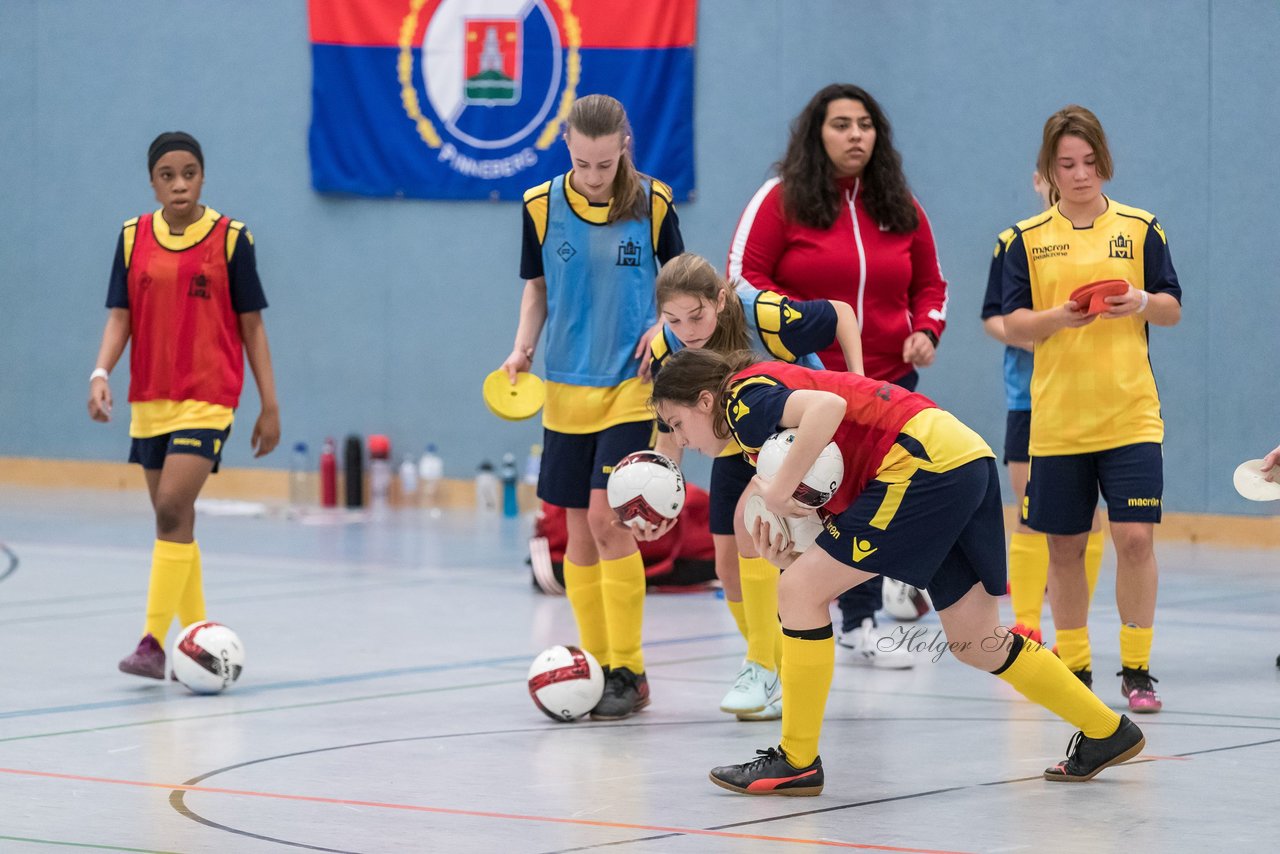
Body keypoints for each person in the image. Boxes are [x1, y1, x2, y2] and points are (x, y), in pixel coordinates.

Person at [651, 348, 1145, 795]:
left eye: (675, 423)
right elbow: (835, 502)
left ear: (703, 401)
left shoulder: (742, 399)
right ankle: (1107, 731)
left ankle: (796, 760)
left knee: (800, 594)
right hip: (960, 456)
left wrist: (777, 494)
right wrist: (792, 557)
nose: (680, 440)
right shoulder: (761, 412)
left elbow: (828, 408)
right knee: (977, 641)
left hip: (918, 462)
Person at [726, 84, 949, 664]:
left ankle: (861, 618)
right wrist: (800, 333)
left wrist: (925, 329)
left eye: (865, 125)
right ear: (816, 134)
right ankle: (804, 625)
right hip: (811, 386)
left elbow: (931, 283)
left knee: (879, 500)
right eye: (842, 125)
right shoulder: (780, 199)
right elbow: (742, 281)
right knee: (821, 500)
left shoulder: (899, 202)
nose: (856, 135)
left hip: (888, 387)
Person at [499, 94, 684, 720]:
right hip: (563, 391)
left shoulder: (653, 203)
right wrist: (522, 349)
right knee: (574, 530)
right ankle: (599, 662)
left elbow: (680, 286)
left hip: (631, 387)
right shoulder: (538, 205)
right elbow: (537, 289)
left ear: (623, 148)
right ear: (568, 149)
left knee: (610, 523)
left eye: (605, 165)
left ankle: (631, 667)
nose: (595, 177)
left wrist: (663, 327)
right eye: (583, 164)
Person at [1003, 105, 1182, 712]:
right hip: (1056, 423)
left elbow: (1173, 307)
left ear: (1104, 162)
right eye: (1066, 165)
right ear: (1049, 171)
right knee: (1065, 547)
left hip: (1131, 414)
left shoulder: (1141, 228)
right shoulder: (1023, 240)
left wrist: (1140, 301)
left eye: (1089, 163)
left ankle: (1137, 669)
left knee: (1134, 538)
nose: (1080, 175)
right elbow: (1014, 320)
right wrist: (1059, 317)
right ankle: (1074, 668)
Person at [89, 131, 280, 679]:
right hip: (149, 399)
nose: (179, 184)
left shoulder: (230, 238)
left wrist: (269, 405)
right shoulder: (131, 237)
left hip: (209, 397)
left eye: (189, 173)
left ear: (202, 177)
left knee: (172, 508)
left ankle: (151, 642)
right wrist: (101, 372)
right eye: (167, 175)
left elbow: (252, 325)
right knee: (176, 521)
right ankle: (200, 642)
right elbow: (120, 317)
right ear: (152, 182)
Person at [645, 252, 862, 720]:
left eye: (697, 315)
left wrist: (857, 377)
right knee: (727, 567)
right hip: (733, 443)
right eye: (673, 319)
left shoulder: (762, 313)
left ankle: (762, 665)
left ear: (720, 300)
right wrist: (661, 493)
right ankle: (773, 668)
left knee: (755, 524)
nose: (687, 329)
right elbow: (672, 423)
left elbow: (841, 314)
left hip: (796, 436)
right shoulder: (668, 343)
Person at [981, 173, 1104, 647]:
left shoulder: (1104, 240)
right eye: (1056, 170)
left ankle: (1075, 630)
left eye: (1083, 165)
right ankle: (1026, 622)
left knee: (1088, 518)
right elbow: (994, 317)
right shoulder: (1016, 242)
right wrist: (1031, 334)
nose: (1071, 178)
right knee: (1030, 510)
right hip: (1029, 400)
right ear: (1037, 180)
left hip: (1090, 396)